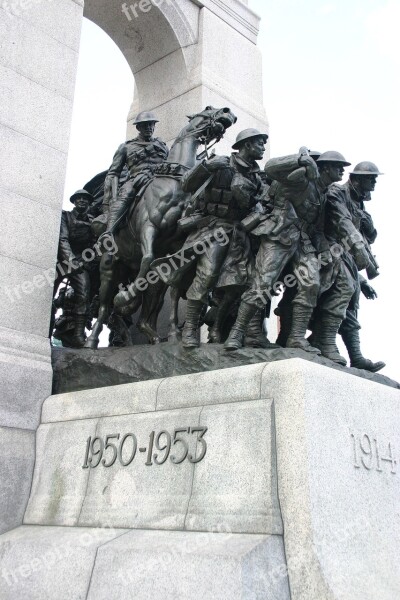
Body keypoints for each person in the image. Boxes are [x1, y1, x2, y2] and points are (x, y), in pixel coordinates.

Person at [225, 149, 352, 354]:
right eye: (339, 167)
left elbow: (317, 229)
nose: (342, 172)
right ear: (325, 168)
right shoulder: (300, 180)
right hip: (279, 235)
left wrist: (324, 249)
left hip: (303, 242)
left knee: (311, 282)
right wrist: (300, 159)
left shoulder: (323, 193)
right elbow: (271, 167)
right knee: (262, 283)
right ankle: (237, 333)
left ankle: (296, 338)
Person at [178, 128, 269, 348]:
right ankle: (190, 329)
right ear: (246, 145)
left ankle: (218, 329)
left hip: (239, 234)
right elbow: (186, 185)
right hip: (213, 229)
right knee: (207, 276)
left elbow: (259, 205)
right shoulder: (221, 163)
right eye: (259, 144)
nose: (263, 148)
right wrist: (205, 166)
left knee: (237, 286)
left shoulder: (256, 176)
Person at [324, 161, 385, 371]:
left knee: (352, 301)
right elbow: (343, 223)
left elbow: (367, 235)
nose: (374, 181)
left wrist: (363, 279)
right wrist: (359, 249)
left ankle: (356, 357)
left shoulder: (360, 201)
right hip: (328, 250)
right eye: (371, 178)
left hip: (346, 255)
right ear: (356, 179)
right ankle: (325, 341)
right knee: (344, 290)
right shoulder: (338, 192)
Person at [102, 111, 169, 236]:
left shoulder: (162, 146)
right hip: (136, 180)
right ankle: (109, 232)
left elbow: (170, 164)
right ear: (138, 127)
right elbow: (113, 173)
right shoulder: (126, 147)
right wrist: (109, 199)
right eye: (145, 125)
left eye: (151, 124)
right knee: (125, 195)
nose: (149, 128)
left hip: (160, 179)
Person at [55, 189, 95, 347]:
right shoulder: (65, 216)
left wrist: (86, 261)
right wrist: (70, 260)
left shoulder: (93, 221)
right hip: (63, 260)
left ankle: (78, 335)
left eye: (85, 199)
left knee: (84, 293)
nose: (82, 201)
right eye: (78, 198)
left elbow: (94, 243)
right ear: (74, 201)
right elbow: (63, 239)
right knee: (50, 292)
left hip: (80, 260)